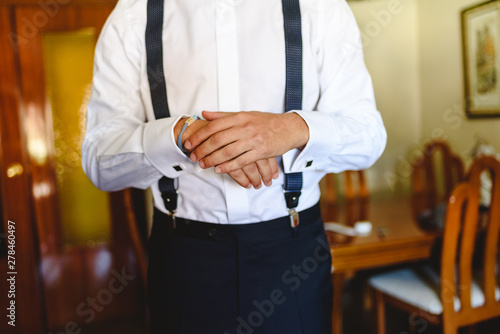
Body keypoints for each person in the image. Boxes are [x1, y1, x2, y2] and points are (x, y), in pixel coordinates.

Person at [82, 0, 387, 333]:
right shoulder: (134, 13)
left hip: (293, 258)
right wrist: (184, 136)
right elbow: (99, 159)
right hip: (183, 262)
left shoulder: (320, 7)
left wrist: (292, 130)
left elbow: (369, 136)